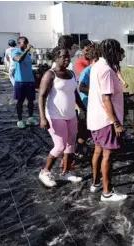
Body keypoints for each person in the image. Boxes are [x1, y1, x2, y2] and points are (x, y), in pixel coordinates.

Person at [37, 47, 86, 187]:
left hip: (71, 116)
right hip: (55, 116)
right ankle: (45, 172)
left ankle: (66, 172)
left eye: (68, 57)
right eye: (63, 57)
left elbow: (75, 94)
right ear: (55, 58)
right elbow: (41, 96)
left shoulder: (71, 73)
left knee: (70, 145)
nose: (66, 59)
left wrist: (83, 108)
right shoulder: (50, 75)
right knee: (59, 146)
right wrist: (42, 118)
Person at [87, 39, 127, 202]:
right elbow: (106, 99)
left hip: (95, 118)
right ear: (112, 52)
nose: (120, 55)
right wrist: (116, 123)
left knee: (98, 151)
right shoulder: (106, 71)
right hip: (106, 121)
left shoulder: (97, 66)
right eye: (118, 51)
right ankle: (107, 193)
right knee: (107, 156)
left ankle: (96, 183)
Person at [75, 43, 100, 159]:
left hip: (94, 104)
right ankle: (78, 151)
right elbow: (81, 87)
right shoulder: (87, 70)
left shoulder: (97, 69)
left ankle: (86, 149)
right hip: (86, 104)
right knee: (84, 129)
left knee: (91, 128)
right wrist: (96, 91)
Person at [11, 36, 39, 128]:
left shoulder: (27, 55)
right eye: (24, 42)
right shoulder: (15, 52)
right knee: (20, 101)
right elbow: (18, 60)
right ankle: (20, 120)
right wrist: (26, 50)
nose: (26, 44)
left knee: (31, 101)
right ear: (19, 43)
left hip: (29, 81)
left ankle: (30, 118)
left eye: (27, 42)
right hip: (20, 82)